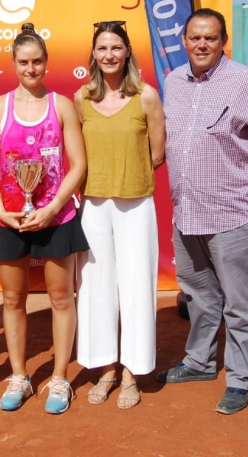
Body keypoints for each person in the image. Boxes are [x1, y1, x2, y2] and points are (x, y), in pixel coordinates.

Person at [157, 8, 248, 415]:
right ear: (184, 40)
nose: (201, 45)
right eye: (195, 37)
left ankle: (239, 378)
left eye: (210, 38)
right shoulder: (173, 81)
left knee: (239, 301)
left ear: (223, 42)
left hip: (233, 211)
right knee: (198, 293)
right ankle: (199, 362)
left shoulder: (247, 83)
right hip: (188, 212)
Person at [0, 22, 89, 415]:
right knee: (13, 299)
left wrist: (49, 207)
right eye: (24, 62)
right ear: (13, 63)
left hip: (56, 217)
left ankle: (59, 377)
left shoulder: (61, 105)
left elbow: (77, 165)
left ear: (46, 62)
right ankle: (19, 375)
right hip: (11, 218)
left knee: (61, 297)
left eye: (37, 61)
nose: (31, 69)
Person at [73, 21, 165, 410]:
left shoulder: (147, 96)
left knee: (136, 288)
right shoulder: (81, 98)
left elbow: (157, 153)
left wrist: (128, 177)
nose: (108, 55)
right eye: (101, 48)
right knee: (96, 287)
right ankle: (106, 368)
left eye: (115, 47)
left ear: (127, 51)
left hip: (136, 206)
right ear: (93, 55)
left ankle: (133, 372)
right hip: (93, 206)